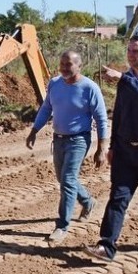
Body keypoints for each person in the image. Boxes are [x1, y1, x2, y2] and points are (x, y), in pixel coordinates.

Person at [83, 35, 138, 262]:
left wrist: (123, 77)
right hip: (125, 151)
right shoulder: (127, 80)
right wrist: (112, 146)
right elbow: (120, 114)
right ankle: (106, 245)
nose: (131, 55)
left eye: (136, 51)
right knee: (118, 197)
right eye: (129, 51)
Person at [26, 50, 109, 244]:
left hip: (79, 140)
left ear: (79, 66)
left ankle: (62, 226)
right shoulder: (55, 84)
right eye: (62, 64)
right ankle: (88, 202)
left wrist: (102, 148)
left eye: (68, 65)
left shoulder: (90, 88)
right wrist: (34, 130)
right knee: (64, 180)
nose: (64, 68)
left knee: (68, 180)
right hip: (59, 139)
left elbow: (102, 119)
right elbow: (46, 108)